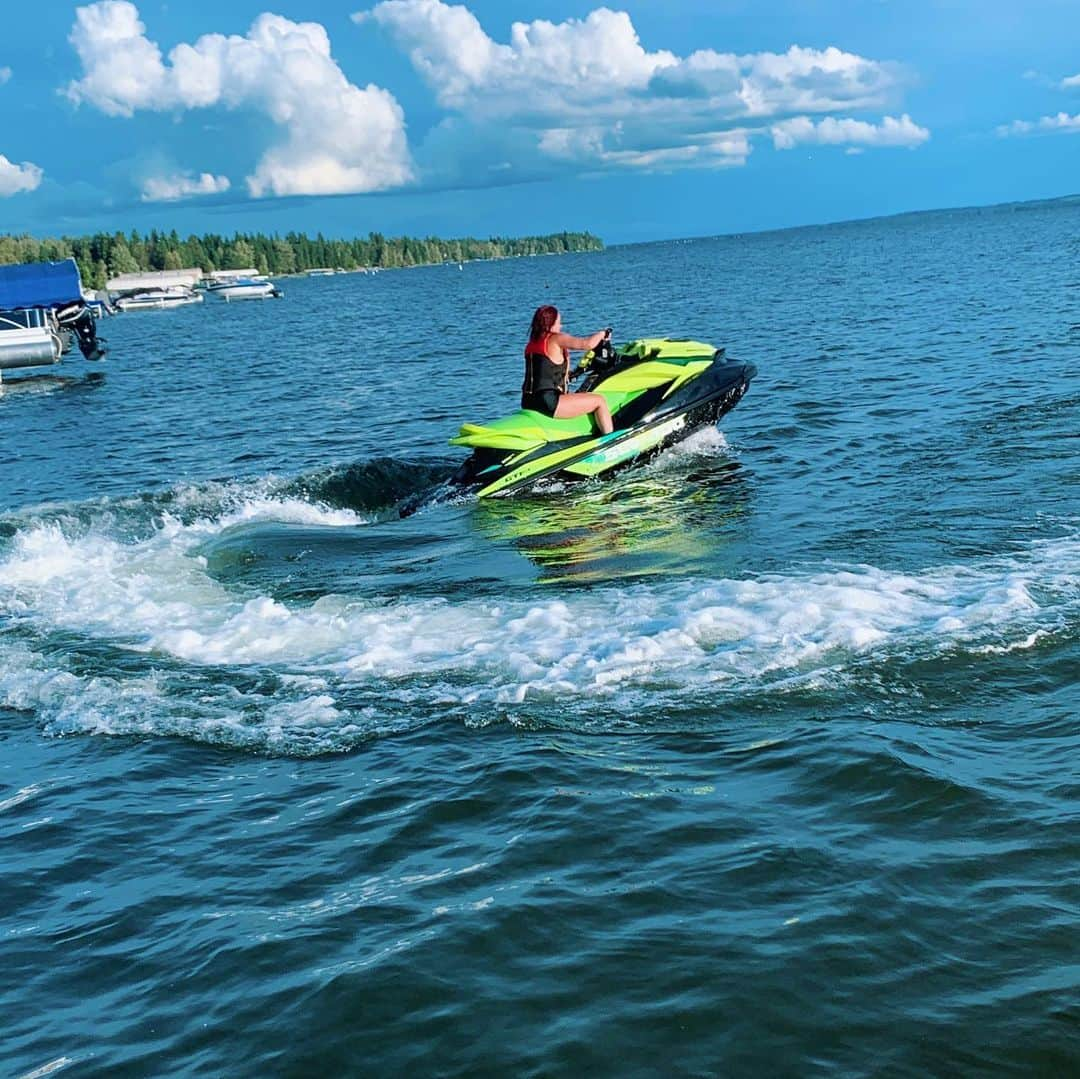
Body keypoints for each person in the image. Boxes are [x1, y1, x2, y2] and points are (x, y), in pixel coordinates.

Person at [521, 305, 613, 434]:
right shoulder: (555, 339)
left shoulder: (531, 344)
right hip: (548, 401)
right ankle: (610, 440)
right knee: (599, 401)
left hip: (527, 401)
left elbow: (547, 372)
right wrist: (603, 334)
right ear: (550, 324)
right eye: (558, 322)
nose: (561, 326)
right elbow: (587, 344)